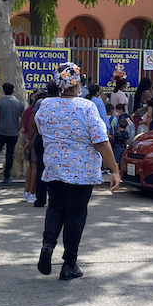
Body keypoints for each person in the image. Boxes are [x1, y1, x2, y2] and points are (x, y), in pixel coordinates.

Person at [32, 62, 120, 281]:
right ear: (78, 84)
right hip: (82, 172)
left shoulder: (45, 105)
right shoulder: (86, 107)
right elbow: (101, 141)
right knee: (75, 215)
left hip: (53, 169)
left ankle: (47, 245)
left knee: (55, 207)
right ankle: (69, 264)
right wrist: (115, 170)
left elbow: (42, 129)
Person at [21, 89, 43, 203]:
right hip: (32, 135)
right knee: (35, 166)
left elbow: (23, 122)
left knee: (30, 165)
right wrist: (30, 139)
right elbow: (34, 124)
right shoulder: (38, 108)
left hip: (25, 134)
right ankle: (33, 193)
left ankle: (27, 191)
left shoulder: (28, 108)